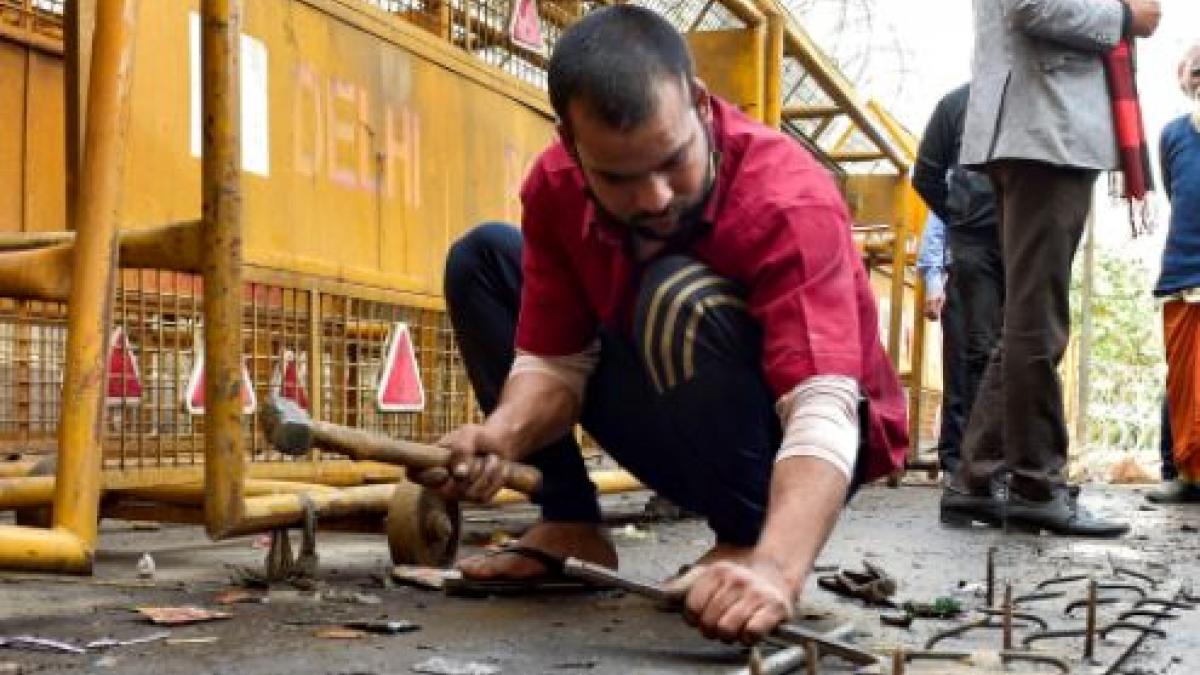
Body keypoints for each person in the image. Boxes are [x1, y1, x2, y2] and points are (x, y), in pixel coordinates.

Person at [414, 5, 908, 644]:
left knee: (676, 292)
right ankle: (570, 522)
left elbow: (822, 408)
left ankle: (744, 538)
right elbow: (556, 364)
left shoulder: (790, 198)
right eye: (619, 177)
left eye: (672, 162)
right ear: (571, 143)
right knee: (483, 259)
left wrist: (778, 568)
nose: (654, 198)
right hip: (671, 403)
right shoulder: (555, 188)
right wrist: (501, 437)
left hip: (796, 447)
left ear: (700, 105)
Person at [940, 0, 1161, 536]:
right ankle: (1036, 484)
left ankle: (976, 479)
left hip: (1037, 124)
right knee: (1038, 319)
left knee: (1024, 317)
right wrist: (1124, 17)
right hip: (1045, 125)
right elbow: (1033, 6)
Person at [913, 83, 1005, 480]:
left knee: (1019, 351)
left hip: (1019, 245)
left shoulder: (1035, 99)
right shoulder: (956, 105)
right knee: (972, 354)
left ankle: (1003, 465)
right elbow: (927, 179)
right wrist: (960, 218)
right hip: (970, 246)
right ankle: (963, 466)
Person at [1148, 43, 1200, 504]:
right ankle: (1182, 473)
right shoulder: (1173, 135)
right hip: (1185, 273)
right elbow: (1175, 193)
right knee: (1183, 382)